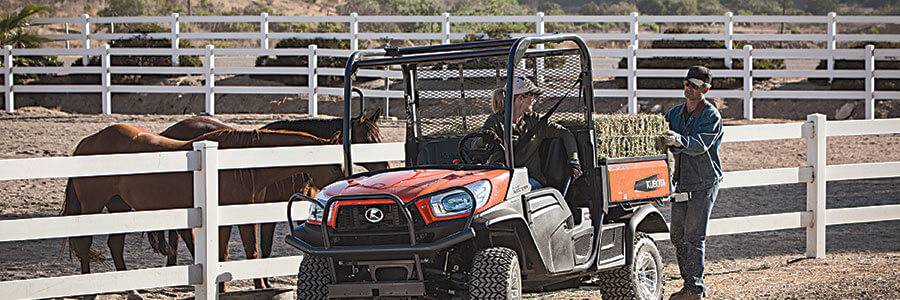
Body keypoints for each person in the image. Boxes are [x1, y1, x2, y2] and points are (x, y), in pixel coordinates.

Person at [664, 66, 724, 300]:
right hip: (681, 182)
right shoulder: (674, 114)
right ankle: (688, 284)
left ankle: (694, 289)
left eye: (695, 85)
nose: (689, 88)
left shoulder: (711, 116)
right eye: (687, 83)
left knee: (694, 236)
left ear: (705, 89)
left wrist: (677, 139)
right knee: (677, 236)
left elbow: (699, 145)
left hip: (703, 181)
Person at [482, 76, 581, 191]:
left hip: (531, 182)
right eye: (532, 95)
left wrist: (574, 161)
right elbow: (477, 147)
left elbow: (565, 134)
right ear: (520, 98)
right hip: (504, 181)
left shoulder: (534, 120)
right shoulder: (494, 122)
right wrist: (484, 139)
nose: (535, 99)